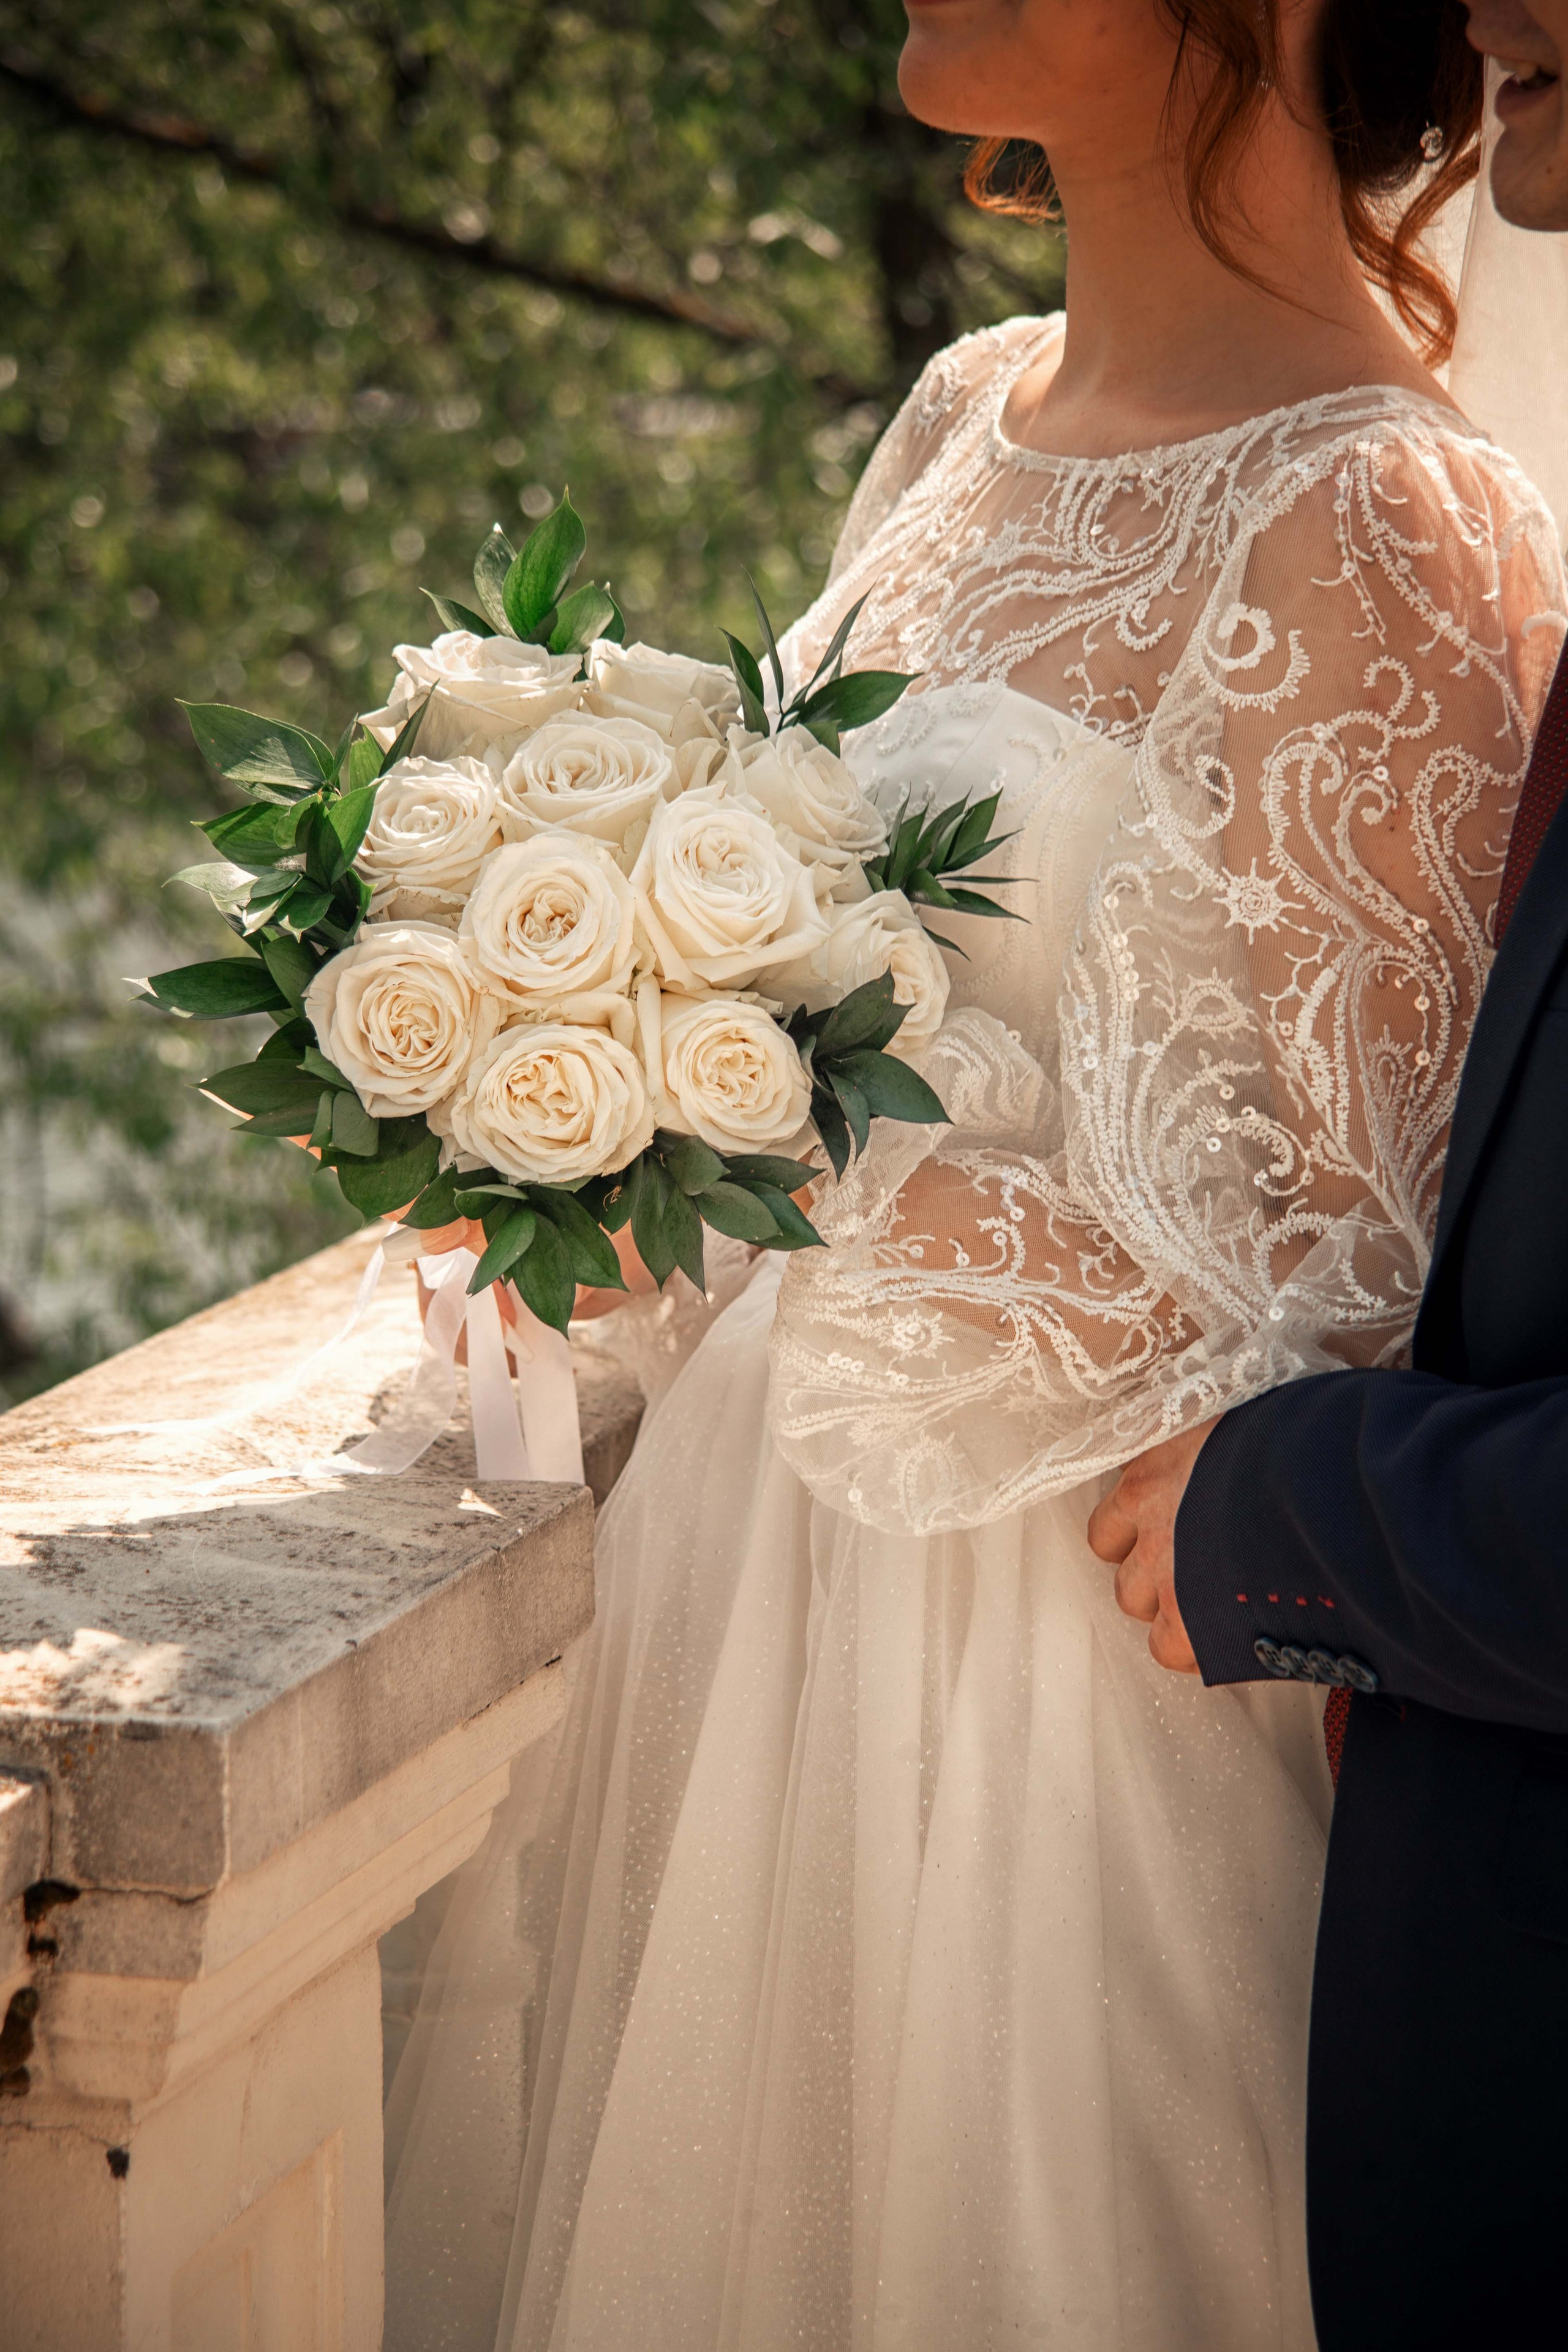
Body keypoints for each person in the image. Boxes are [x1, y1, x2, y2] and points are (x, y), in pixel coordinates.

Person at [382, 6, 1566, 2347]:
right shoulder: (955, 412)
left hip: (1063, 1704)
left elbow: (1322, 1282)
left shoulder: (1395, 523)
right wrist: (602, 1122)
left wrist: (782, 1133)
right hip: (753, 1599)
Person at [1087, 8, 1568, 2346]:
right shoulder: (954, 416)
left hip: (1134, 1663)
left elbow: (1367, 1239)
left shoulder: (1401, 507)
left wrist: (1289, 1509)